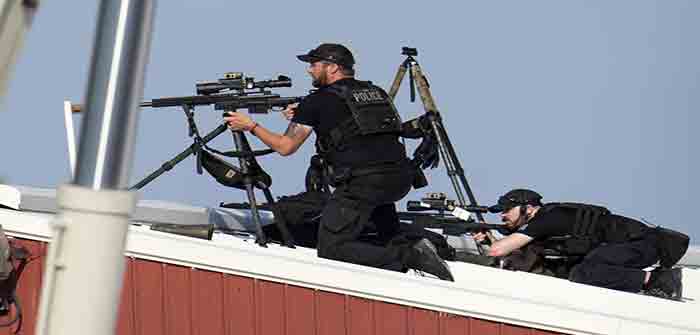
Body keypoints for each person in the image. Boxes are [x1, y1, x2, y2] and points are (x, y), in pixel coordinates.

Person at [224, 43, 453, 281]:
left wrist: (251, 126)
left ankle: (410, 256)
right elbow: (356, 125)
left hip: (362, 183)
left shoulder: (317, 101)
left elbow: (286, 147)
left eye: (314, 65)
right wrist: (305, 114)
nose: (309, 70)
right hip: (398, 178)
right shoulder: (375, 93)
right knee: (386, 236)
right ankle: (410, 256)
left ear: (332, 67)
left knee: (332, 248)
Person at [475, 188, 689, 300]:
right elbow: (516, 260)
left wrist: (493, 243)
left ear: (528, 208)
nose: (503, 216)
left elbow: (498, 249)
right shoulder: (544, 225)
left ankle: (659, 280)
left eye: (507, 210)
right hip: (631, 246)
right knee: (574, 269)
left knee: (585, 271)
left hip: (643, 244)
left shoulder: (547, 219)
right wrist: (490, 240)